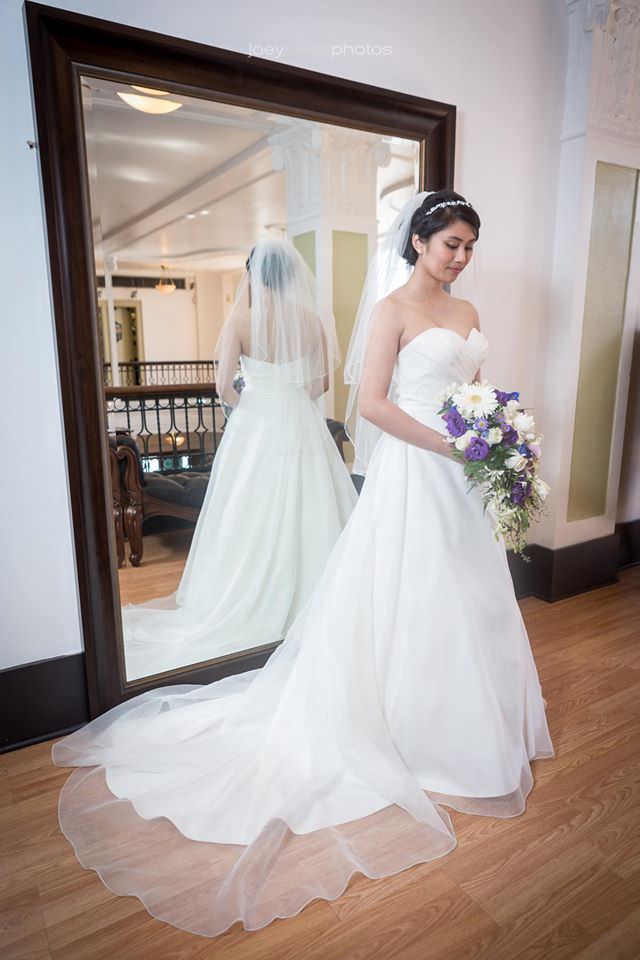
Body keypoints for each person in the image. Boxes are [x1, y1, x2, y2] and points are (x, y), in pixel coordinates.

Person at [53, 190, 554, 937]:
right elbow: (374, 405)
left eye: (469, 246)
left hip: (462, 477)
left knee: (468, 597)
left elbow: (472, 393)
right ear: (419, 241)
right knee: (408, 594)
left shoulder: (469, 313)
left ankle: (471, 722)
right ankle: (406, 726)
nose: (461, 257)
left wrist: (491, 433)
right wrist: (452, 445)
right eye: (451, 243)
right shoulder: (389, 311)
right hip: (417, 473)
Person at [121, 237, 358, 679]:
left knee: (250, 508)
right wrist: (294, 400)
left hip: (257, 423)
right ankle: (320, 600)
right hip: (300, 419)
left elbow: (222, 388)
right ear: (291, 276)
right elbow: (324, 379)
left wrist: (250, 404)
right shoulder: (311, 320)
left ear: (253, 275)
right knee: (310, 504)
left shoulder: (243, 322)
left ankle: (248, 598)